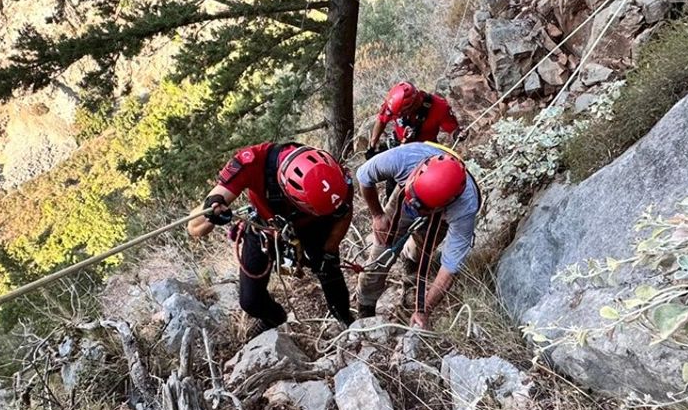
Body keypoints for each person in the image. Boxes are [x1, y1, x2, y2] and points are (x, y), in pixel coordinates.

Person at [188, 142, 356, 332]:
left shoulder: (334, 175)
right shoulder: (251, 163)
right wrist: (212, 211)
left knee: (329, 270)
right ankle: (274, 317)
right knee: (250, 301)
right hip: (265, 228)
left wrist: (330, 249)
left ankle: (346, 320)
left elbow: (343, 214)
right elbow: (194, 227)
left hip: (312, 226)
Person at [355, 142, 481, 328]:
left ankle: (411, 280)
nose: (416, 210)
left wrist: (424, 309)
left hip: (441, 217)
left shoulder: (464, 210)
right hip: (405, 196)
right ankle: (365, 310)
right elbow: (364, 176)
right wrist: (377, 215)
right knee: (380, 256)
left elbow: (450, 268)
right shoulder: (404, 158)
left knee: (421, 251)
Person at [366, 82, 461, 157]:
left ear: (413, 105)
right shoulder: (393, 105)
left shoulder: (439, 107)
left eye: (402, 113)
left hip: (425, 149)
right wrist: (372, 146)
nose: (398, 115)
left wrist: (459, 135)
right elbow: (382, 120)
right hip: (399, 144)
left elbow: (453, 131)